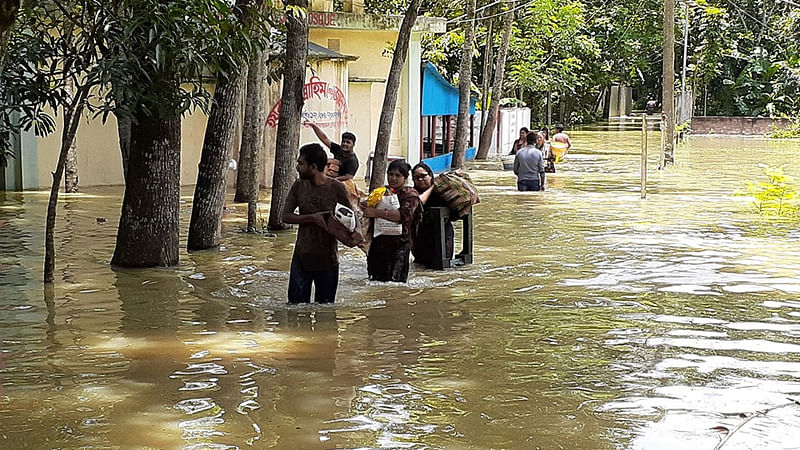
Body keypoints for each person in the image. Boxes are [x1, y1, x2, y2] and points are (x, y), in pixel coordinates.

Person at [281, 143, 352, 304]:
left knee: (326, 312)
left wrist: (358, 234)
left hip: (328, 259)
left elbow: (352, 216)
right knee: (296, 309)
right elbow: (285, 216)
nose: (297, 167)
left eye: (301, 164)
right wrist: (313, 218)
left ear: (313, 167)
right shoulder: (298, 186)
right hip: (302, 256)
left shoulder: (337, 188)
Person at [363, 159, 421, 282]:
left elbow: (403, 216)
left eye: (398, 175)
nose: (393, 178)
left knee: (395, 284)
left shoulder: (410, 195)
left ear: (404, 178)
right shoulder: (381, 192)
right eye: (391, 174)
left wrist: (376, 213)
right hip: (378, 243)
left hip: (399, 245)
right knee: (374, 281)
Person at [410, 162, 458, 268]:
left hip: (443, 235)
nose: (420, 180)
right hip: (421, 237)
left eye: (423, 176)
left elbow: (455, 214)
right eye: (417, 178)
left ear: (430, 175)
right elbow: (416, 205)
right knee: (420, 266)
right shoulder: (412, 194)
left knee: (441, 267)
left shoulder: (443, 192)